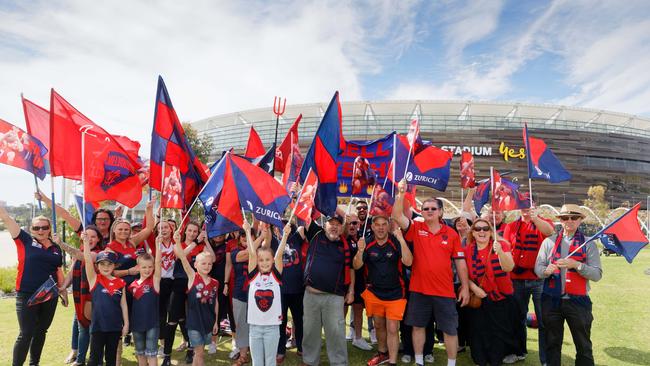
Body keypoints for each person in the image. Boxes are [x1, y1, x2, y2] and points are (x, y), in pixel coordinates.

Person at [392, 179, 470, 366]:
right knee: (418, 326)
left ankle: (451, 363)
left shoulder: (451, 234)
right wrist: (401, 194)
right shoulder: (416, 228)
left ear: (441, 212)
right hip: (419, 290)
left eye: (433, 209)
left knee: (450, 330)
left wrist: (465, 287)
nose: (429, 211)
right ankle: (419, 361)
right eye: (425, 208)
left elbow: (460, 262)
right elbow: (397, 215)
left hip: (444, 291)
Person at [535, 204, 602, 366]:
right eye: (565, 218)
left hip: (578, 301)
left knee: (583, 344)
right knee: (552, 342)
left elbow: (597, 275)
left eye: (574, 218)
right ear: (560, 221)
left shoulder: (588, 244)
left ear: (580, 220)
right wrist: (546, 270)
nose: (569, 221)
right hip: (551, 300)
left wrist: (577, 265)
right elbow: (538, 268)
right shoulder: (549, 242)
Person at [0, 206, 67, 366]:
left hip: (50, 295)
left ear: (50, 229)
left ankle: (34, 363)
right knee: (26, 333)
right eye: (36, 227)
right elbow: (7, 218)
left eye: (44, 227)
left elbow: (58, 270)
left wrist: (63, 291)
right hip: (27, 294)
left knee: (41, 331)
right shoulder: (25, 240)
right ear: (32, 229)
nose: (41, 230)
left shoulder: (56, 247)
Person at [353, 216, 413, 366]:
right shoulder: (366, 242)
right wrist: (360, 252)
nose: (380, 228)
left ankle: (392, 361)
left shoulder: (395, 240)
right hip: (374, 292)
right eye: (377, 225)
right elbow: (356, 266)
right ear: (372, 227)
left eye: (384, 224)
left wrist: (402, 239)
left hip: (396, 293)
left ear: (388, 226)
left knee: (392, 328)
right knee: (378, 325)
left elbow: (409, 261)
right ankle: (382, 353)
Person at [502, 205, 554, 364]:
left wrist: (534, 218)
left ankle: (546, 359)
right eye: (523, 205)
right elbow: (506, 249)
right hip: (516, 279)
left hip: (539, 279)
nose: (526, 208)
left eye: (530, 205)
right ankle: (518, 351)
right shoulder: (511, 226)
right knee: (516, 318)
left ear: (536, 207)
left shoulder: (543, 222)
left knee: (544, 320)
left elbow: (549, 232)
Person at [301, 215, 355, 366]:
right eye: (331, 223)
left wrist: (351, 291)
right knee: (310, 331)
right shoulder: (315, 234)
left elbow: (351, 269)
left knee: (336, 333)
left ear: (342, 228)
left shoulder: (346, 245)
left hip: (334, 297)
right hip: (311, 295)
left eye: (338, 224)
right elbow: (304, 212)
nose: (334, 226)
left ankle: (339, 363)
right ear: (325, 225)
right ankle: (309, 361)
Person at [464, 219, 517, 366]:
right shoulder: (468, 250)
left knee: (498, 332)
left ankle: (495, 360)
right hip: (479, 297)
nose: (482, 231)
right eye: (478, 229)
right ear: (473, 233)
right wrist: (475, 289)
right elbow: (464, 275)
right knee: (478, 330)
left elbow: (509, 267)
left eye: (486, 228)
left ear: (490, 231)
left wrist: (499, 251)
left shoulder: (502, 245)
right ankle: (480, 359)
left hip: (500, 296)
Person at [58, 226, 104, 366]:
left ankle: (96, 360)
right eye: (86, 236)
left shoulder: (100, 254)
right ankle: (80, 359)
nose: (89, 239)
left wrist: (60, 244)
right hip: (80, 298)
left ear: (98, 239)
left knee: (94, 332)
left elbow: (84, 257)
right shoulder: (78, 255)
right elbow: (71, 273)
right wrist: (63, 287)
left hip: (94, 298)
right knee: (82, 330)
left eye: (93, 237)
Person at [246, 220, 290, 366]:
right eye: (261, 260)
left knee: (270, 361)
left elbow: (279, 255)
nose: (264, 263)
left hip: (272, 327)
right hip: (255, 327)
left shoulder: (276, 276)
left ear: (272, 261)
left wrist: (285, 236)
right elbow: (252, 253)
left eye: (267, 260)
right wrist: (247, 231)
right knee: (257, 362)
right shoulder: (253, 276)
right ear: (257, 262)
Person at [174, 229, 219, 366]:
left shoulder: (215, 283)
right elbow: (182, 257)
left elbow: (216, 302)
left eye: (209, 264)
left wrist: (216, 322)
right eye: (203, 263)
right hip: (194, 323)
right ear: (195, 265)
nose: (207, 266)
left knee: (199, 353)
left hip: (208, 322)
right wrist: (176, 241)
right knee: (199, 353)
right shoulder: (193, 277)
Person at [83, 235, 129, 366]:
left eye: (109, 264)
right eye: (102, 263)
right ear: (97, 266)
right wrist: (86, 244)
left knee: (111, 359)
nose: (106, 266)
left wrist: (126, 324)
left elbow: (123, 305)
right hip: (98, 327)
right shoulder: (94, 280)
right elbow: (87, 260)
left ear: (114, 265)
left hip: (114, 327)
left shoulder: (121, 282)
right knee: (94, 359)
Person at [230, 225, 269, 365]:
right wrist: (260, 237)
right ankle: (243, 355)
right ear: (240, 239)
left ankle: (259, 354)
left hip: (258, 294)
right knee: (241, 325)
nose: (246, 239)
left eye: (250, 237)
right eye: (243, 237)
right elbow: (247, 254)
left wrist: (265, 231)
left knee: (259, 324)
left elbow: (266, 244)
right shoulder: (235, 252)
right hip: (240, 293)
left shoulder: (261, 252)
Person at [36, 190, 116, 247]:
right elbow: (65, 215)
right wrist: (45, 200)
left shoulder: (116, 234)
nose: (102, 221)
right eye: (99, 219)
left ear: (111, 220)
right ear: (94, 220)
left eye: (106, 219)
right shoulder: (85, 230)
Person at [129, 235, 162, 366]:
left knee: (152, 353)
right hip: (136, 325)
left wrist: (158, 247)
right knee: (140, 353)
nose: (147, 270)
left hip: (152, 324)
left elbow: (159, 264)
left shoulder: (155, 281)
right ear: (138, 268)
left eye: (150, 267)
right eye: (144, 267)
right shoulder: (132, 285)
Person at [275, 223, 305, 363]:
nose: (282, 229)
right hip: (280, 290)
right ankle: (280, 350)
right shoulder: (274, 241)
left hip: (298, 289)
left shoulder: (295, 239)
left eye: (285, 227)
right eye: (279, 227)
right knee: (281, 321)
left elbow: (303, 227)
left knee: (299, 320)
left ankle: (301, 347)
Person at [344, 213, 372, 351]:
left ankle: (358, 338)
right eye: (349, 223)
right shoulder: (342, 238)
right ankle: (338, 337)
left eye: (355, 223)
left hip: (360, 278)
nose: (352, 226)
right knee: (341, 310)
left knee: (358, 309)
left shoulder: (362, 238)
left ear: (359, 224)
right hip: (343, 279)